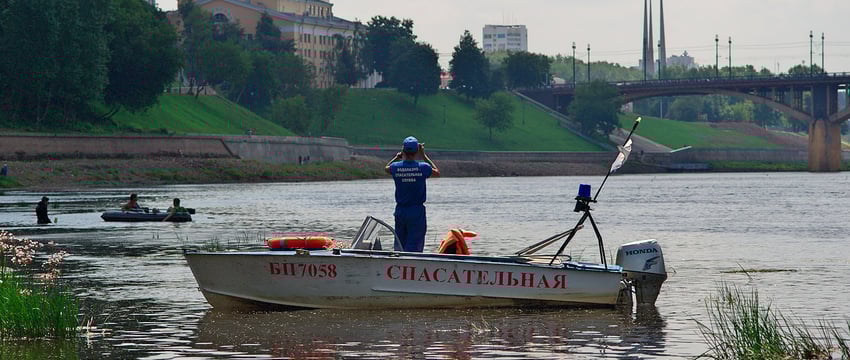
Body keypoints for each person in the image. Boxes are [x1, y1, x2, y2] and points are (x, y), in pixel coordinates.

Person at [385, 136, 440, 252]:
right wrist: (424, 156)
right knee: (415, 246)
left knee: (400, 244)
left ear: (403, 151)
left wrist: (396, 157)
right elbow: (437, 172)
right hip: (416, 211)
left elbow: (386, 168)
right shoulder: (423, 167)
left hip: (400, 211)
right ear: (417, 152)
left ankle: (398, 266)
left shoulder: (396, 167)